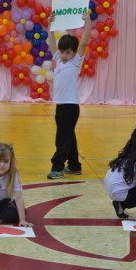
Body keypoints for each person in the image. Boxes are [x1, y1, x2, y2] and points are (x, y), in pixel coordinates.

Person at [46, 12, 92, 179]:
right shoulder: (59, 60)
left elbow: (84, 42)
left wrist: (88, 24)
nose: (64, 55)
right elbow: (51, 43)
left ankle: (57, 167)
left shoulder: (75, 62)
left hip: (71, 107)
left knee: (62, 138)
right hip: (60, 106)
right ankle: (74, 166)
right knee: (69, 136)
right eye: (62, 52)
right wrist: (50, 27)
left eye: (67, 52)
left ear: (73, 53)